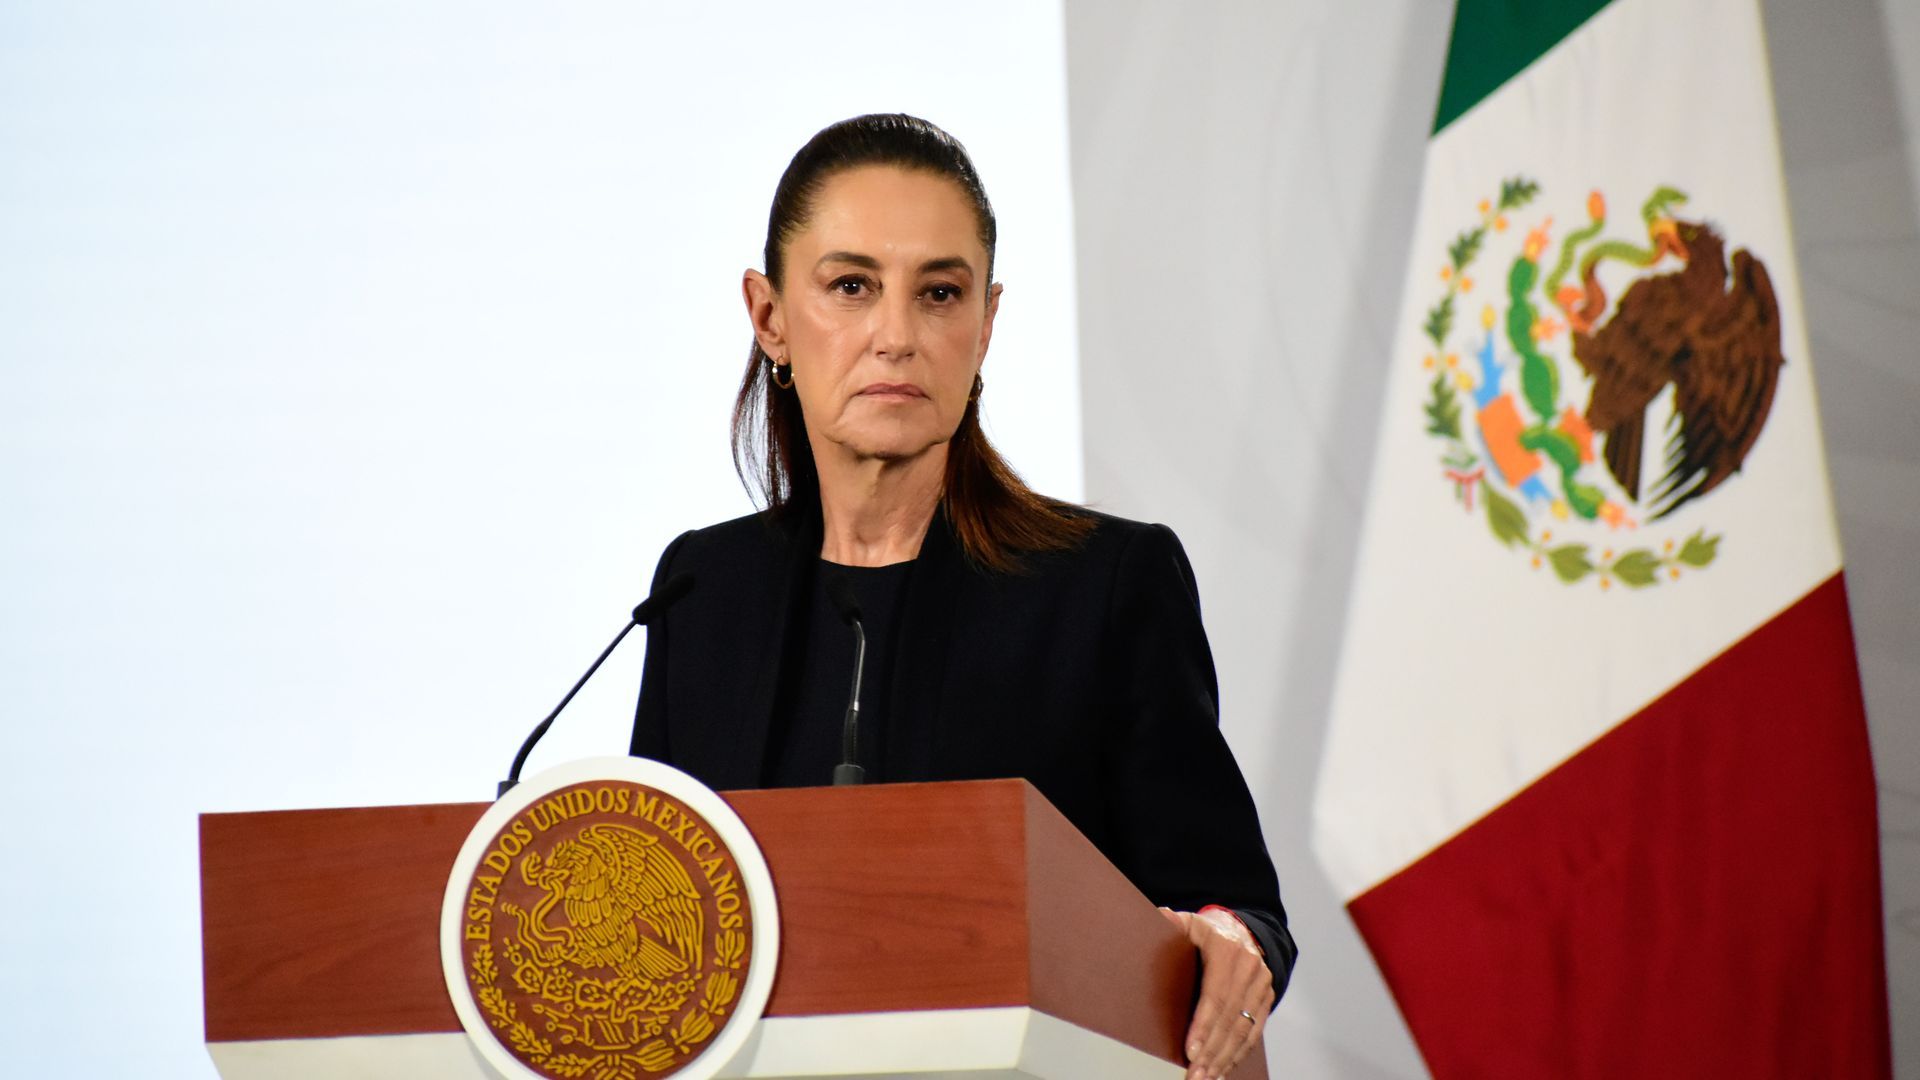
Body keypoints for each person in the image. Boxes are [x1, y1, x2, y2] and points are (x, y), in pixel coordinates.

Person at [630, 113, 1294, 1080]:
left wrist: (1228, 939)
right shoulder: (703, 591)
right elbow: (652, 901)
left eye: (939, 294)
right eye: (851, 287)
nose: (896, 337)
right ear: (770, 318)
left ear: (985, 324)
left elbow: (1232, 906)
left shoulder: (1105, 585)